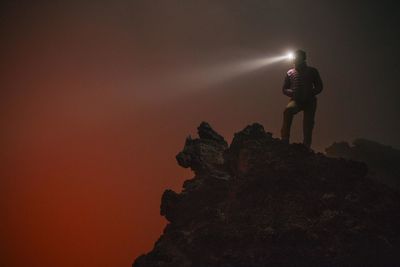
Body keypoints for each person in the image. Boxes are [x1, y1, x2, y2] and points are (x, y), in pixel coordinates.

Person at [280, 49, 323, 148]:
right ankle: (284, 140)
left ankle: (306, 145)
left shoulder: (312, 71)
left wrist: (310, 93)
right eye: (294, 57)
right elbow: (284, 89)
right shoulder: (290, 72)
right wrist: (293, 93)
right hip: (296, 100)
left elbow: (319, 86)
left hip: (310, 101)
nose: (295, 59)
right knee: (287, 112)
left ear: (303, 58)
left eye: (297, 57)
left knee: (308, 124)